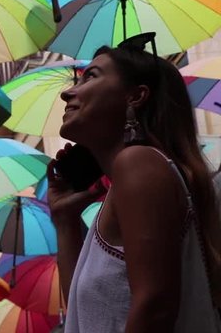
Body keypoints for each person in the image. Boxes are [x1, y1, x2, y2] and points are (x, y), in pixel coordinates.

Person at [48, 33, 221, 332]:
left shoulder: (139, 163)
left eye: (90, 76)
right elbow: (86, 315)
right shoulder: (128, 179)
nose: (68, 94)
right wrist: (65, 220)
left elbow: (155, 308)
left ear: (135, 96)